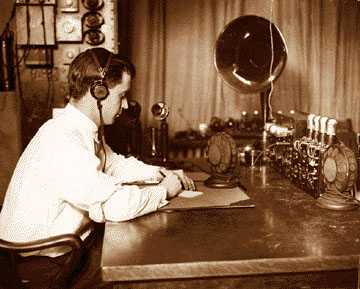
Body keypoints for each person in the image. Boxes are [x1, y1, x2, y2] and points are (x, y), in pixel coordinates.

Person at [0, 47, 195, 258]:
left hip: (68, 248)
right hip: (42, 263)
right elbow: (116, 207)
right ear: (98, 93)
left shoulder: (82, 128)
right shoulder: (62, 139)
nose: (126, 104)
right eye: (122, 95)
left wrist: (161, 172)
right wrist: (164, 191)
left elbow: (113, 164)